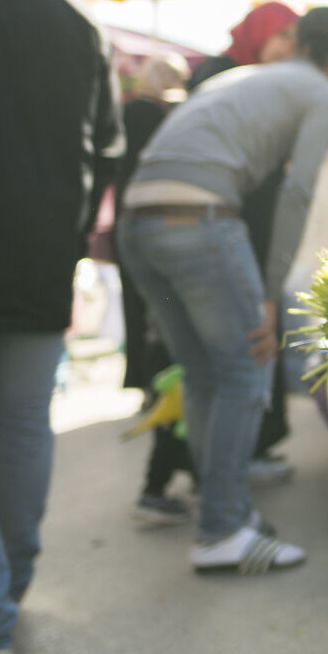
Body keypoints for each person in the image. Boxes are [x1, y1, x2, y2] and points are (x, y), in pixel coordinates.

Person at [116, 6, 328, 576]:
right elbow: (297, 195)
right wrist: (270, 296)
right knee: (248, 365)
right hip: (197, 219)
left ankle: (223, 514)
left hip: (139, 221)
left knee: (204, 376)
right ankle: (222, 527)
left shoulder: (241, 78)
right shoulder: (322, 95)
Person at [0, 0, 122, 654]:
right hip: (40, 252)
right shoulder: (74, 17)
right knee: (22, 427)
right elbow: (108, 146)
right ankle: (15, 584)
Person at [188, 1, 301, 482]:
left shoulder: (272, 84)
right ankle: (223, 478)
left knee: (250, 338)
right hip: (217, 222)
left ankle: (241, 458)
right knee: (237, 346)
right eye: (282, 39)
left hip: (249, 222)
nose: (286, 52)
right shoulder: (218, 73)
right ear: (262, 33)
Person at [112, 53, 199, 520]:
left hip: (153, 266)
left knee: (176, 374)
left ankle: (180, 479)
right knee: (177, 378)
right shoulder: (149, 118)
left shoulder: (133, 115)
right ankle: (159, 485)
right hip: (163, 274)